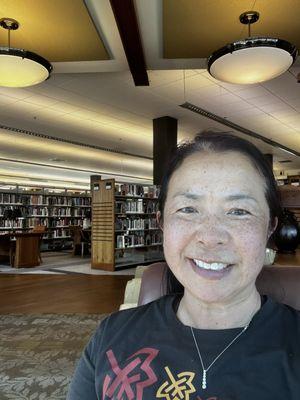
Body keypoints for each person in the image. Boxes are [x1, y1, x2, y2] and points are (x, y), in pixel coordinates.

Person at [67, 132, 300, 400]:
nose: (210, 237)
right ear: (162, 223)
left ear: (270, 227)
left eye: (239, 211)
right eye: (188, 209)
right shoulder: (111, 337)